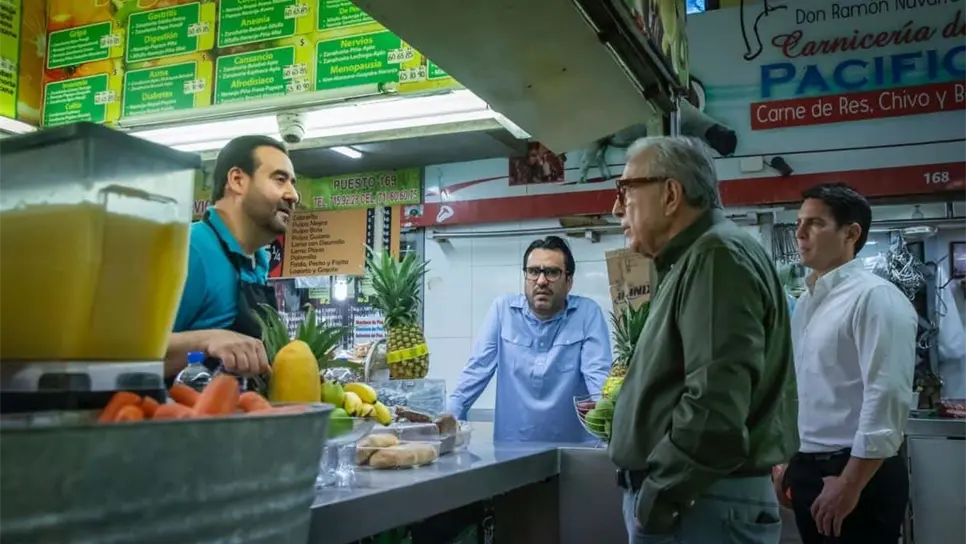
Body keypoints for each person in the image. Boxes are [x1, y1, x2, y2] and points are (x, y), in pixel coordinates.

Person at [608, 136, 798, 543]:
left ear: (671, 193)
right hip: (701, 502)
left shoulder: (716, 257)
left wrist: (659, 498)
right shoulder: (697, 256)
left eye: (625, 191)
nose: (616, 208)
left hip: (701, 506)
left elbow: (714, 404)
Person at [780, 183, 917, 543]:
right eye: (798, 223)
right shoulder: (808, 304)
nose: (799, 233)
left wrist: (850, 482)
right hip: (810, 467)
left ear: (851, 233)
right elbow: (801, 390)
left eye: (815, 223)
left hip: (856, 474)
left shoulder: (875, 297)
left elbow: (885, 395)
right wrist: (788, 465)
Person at [445, 236, 612, 442]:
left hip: (573, 452)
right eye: (533, 272)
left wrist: (610, 427)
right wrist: (446, 421)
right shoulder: (503, 310)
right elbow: (476, 372)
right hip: (512, 452)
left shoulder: (587, 313)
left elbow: (598, 379)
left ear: (568, 281)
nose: (541, 281)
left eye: (551, 272)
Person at [165, 135, 298, 379]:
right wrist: (206, 340)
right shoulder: (189, 248)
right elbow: (119, 355)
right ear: (237, 180)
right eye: (280, 180)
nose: (293, 195)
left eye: (292, 183)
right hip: (179, 413)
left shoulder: (258, 261)